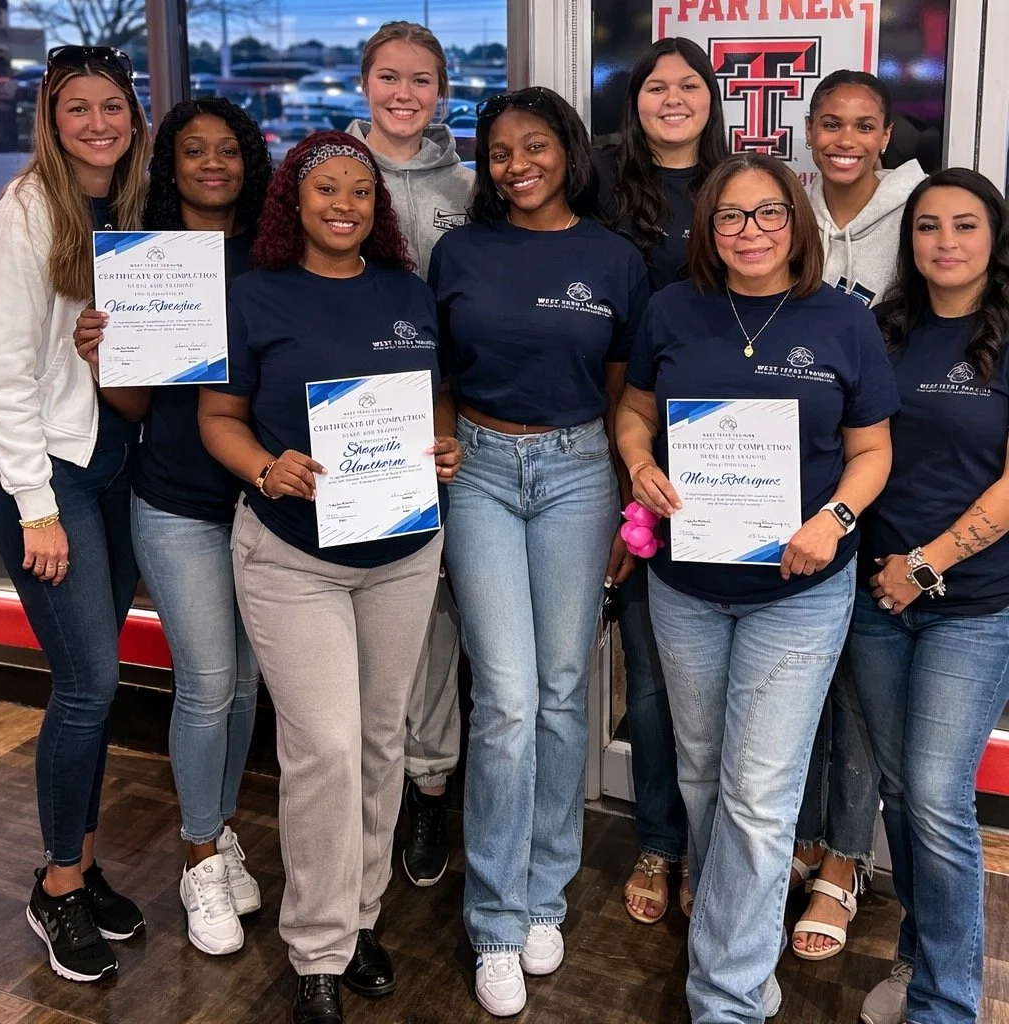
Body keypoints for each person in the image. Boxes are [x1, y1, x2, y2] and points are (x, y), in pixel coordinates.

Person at [616, 152, 899, 1024]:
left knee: (759, 791)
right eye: (730, 216)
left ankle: (728, 997)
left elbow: (873, 450)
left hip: (799, 591)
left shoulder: (843, 322)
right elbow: (633, 410)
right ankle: (739, 944)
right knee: (703, 774)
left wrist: (836, 523)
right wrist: (638, 462)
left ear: (797, 220)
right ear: (707, 227)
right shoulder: (672, 310)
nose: (749, 232)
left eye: (768, 214)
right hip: (687, 584)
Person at [198, 130, 461, 1024]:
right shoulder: (256, 295)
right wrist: (267, 468)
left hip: (400, 551)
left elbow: (431, 401)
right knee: (325, 749)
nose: (344, 205)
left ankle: (359, 919)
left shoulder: (408, 293)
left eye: (359, 192)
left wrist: (441, 447)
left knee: (382, 740)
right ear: (294, 204)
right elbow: (219, 418)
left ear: (375, 206)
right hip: (291, 556)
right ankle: (315, 949)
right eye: (326, 192)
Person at [429, 86, 649, 1017]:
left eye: (534, 146)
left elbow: (619, 391)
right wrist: (442, 449)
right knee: (509, 698)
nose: (516, 164)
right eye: (499, 151)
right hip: (477, 470)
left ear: (567, 150)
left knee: (563, 690)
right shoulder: (458, 250)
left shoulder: (614, 258)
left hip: (578, 474)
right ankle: (495, 917)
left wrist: (624, 509)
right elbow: (432, 366)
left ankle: (546, 892)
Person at [71, 97, 273, 956]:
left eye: (229, 150)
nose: (214, 164)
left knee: (243, 691)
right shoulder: (147, 260)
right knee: (204, 683)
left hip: (268, 506)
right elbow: (134, 404)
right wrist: (101, 356)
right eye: (195, 151)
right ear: (172, 165)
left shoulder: (273, 260)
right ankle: (197, 858)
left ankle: (218, 829)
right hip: (177, 500)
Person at [0, 44, 150, 982]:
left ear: (133, 118)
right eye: (77, 108)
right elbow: (3, 377)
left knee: (101, 678)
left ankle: (82, 867)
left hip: (113, 458)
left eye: (112, 108)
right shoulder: (22, 218)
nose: (97, 123)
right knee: (86, 682)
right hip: (48, 473)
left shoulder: (125, 211)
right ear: (50, 119)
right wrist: (35, 507)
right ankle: (52, 888)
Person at [850, 168, 1009, 1024]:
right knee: (903, 791)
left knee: (940, 794)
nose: (945, 242)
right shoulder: (886, 327)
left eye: (965, 225)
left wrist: (929, 564)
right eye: (927, 227)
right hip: (879, 597)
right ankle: (918, 954)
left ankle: (949, 1004)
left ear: (994, 237)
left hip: (975, 603)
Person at [792, 69, 927, 961]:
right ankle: (805, 838)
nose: (844, 138)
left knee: (855, 691)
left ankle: (846, 860)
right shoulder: (789, 211)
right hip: (799, 486)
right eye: (829, 123)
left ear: (886, 135)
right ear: (809, 129)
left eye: (863, 125)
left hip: (893, 480)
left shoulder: (920, 215)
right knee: (800, 679)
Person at [594, 35, 728, 925]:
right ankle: (658, 840)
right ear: (635, 100)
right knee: (647, 678)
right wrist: (623, 476)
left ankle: (724, 855)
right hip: (626, 443)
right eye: (656, 86)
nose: (672, 98)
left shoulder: (742, 186)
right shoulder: (599, 182)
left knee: (723, 684)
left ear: (713, 98)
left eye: (688, 85)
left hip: (734, 460)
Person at [346, 20, 474, 886]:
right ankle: (359, 795)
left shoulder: (468, 189)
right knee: (343, 626)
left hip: (439, 428)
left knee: (430, 623)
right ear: (364, 84)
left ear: (441, 90)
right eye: (388, 77)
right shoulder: (320, 173)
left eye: (421, 80)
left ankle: (428, 791)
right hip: (342, 431)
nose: (404, 93)